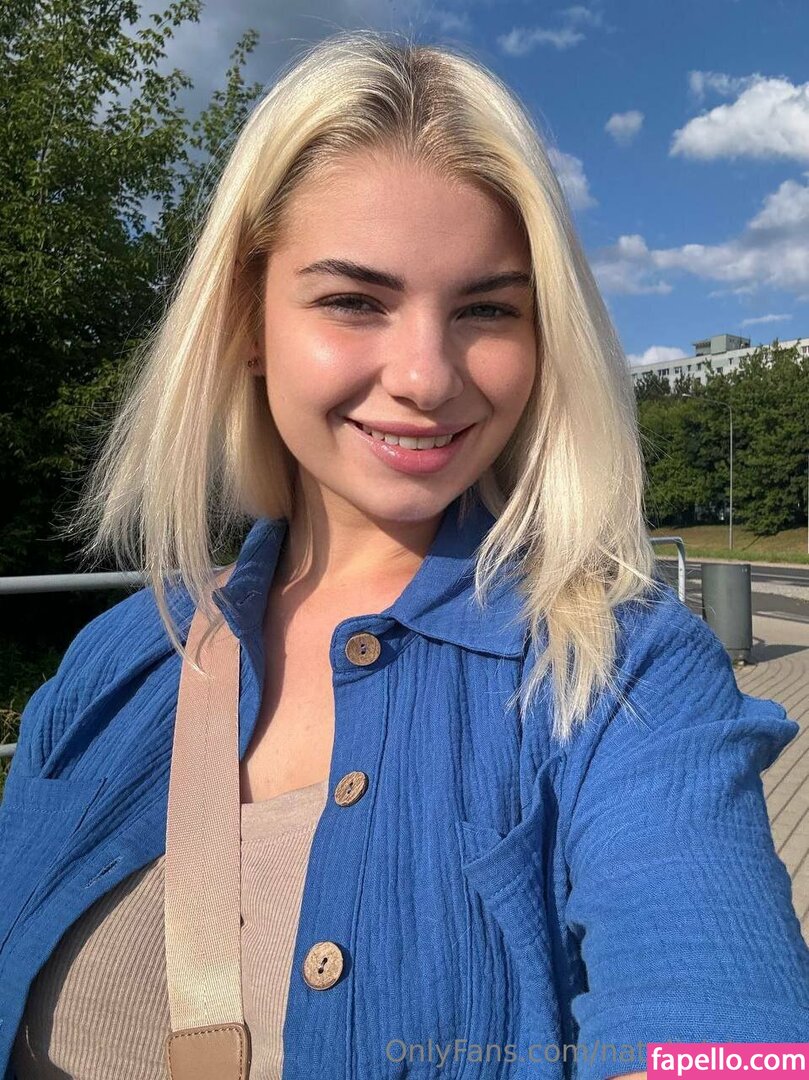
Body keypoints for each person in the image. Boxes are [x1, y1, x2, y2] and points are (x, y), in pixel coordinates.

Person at [1, 27, 807, 1080]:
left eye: (486, 309)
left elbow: (722, 1032)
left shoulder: (623, 675)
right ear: (247, 321)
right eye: (353, 301)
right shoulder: (116, 663)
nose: (426, 376)